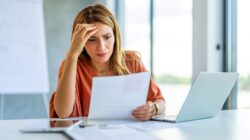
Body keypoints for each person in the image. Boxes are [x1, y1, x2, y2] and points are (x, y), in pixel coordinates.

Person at [50, 3, 165, 121]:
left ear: (115, 36)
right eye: (92, 39)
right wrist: (72, 54)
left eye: (107, 37)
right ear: (81, 42)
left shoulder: (132, 62)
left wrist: (153, 108)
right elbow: (63, 113)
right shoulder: (72, 65)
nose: (101, 47)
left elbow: (160, 102)